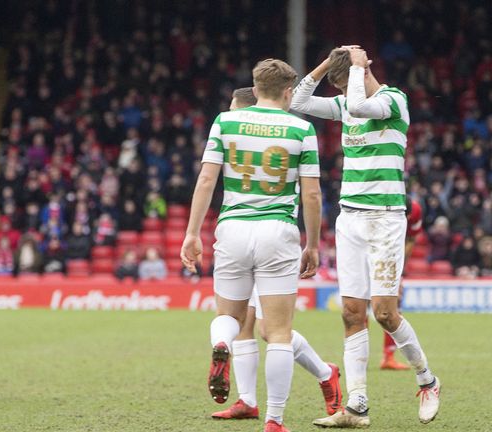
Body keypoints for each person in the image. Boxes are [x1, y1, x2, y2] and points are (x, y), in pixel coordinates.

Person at [292, 46, 440, 427]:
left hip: (385, 219)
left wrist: (357, 69)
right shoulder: (346, 101)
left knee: (385, 313)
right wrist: (328, 63)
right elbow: (298, 100)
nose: (341, 92)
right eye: (338, 86)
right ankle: (356, 406)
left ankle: (427, 380)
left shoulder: (394, 100)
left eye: (344, 83)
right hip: (350, 219)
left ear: (362, 72)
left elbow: (359, 106)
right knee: (351, 312)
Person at [181, 59, 323, 432]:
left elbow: (207, 178)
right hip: (278, 232)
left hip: (233, 229)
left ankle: (222, 344)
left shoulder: (224, 122)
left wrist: (193, 233)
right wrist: (313, 243)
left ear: (255, 89)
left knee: (229, 317)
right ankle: (274, 420)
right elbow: (311, 194)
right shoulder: (302, 128)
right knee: (277, 332)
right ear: (289, 91)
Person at [211, 88, 342, 422]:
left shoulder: (245, 129)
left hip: (261, 236)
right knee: (248, 326)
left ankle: (326, 373)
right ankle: (248, 401)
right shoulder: (282, 131)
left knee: (269, 330)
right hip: (267, 238)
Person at [381, 198, 423, 371]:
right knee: (359, 307)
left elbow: (411, 240)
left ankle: (388, 357)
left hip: (392, 258)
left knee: (394, 306)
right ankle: (359, 357)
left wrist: (397, 267)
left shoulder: (415, 211)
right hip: (369, 252)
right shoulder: (377, 210)